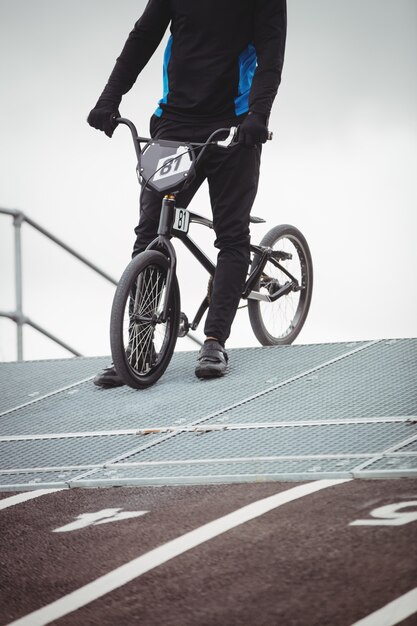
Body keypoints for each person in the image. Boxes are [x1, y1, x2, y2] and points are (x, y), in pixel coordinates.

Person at [88, 0, 287, 386]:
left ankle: (214, 341)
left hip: (234, 127)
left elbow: (270, 57)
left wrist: (258, 116)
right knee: (150, 234)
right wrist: (109, 98)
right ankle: (140, 346)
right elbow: (142, 38)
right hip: (175, 126)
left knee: (231, 236)